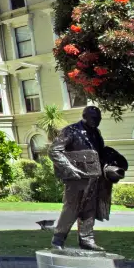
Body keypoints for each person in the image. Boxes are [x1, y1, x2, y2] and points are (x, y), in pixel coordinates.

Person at [48, 106, 126, 250]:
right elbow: (54, 151)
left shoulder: (96, 133)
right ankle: (58, 239)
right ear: (84, 117)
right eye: (93, 119)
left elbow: (99, 153)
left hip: (94, 177)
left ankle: (86, 240)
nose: (97, 122)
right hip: (76, 178)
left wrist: (111, 162)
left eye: (99, 119)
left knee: (89, 209)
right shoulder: (71, 131)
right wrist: (70, 169)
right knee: (71, 208)